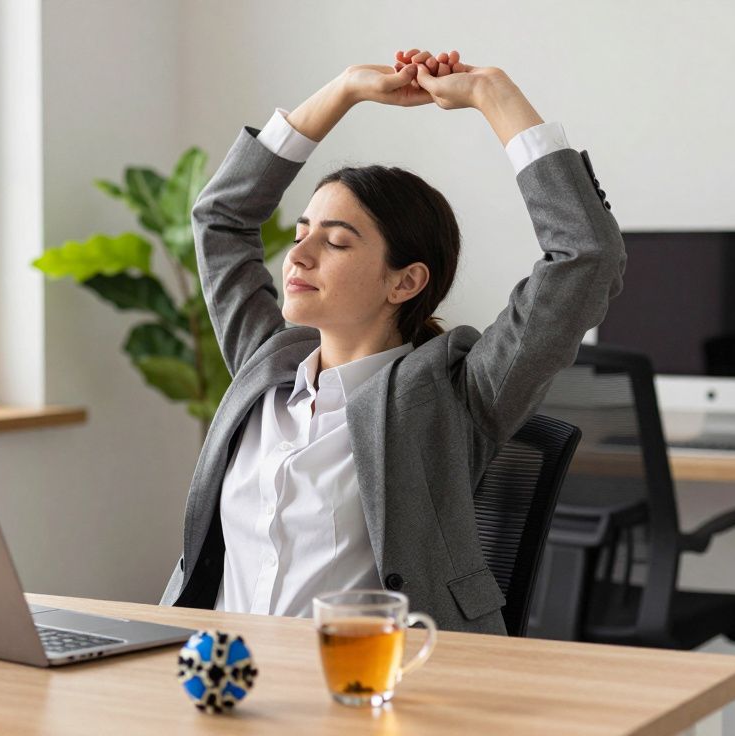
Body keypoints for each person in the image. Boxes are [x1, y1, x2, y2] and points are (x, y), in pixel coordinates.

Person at [159, 49, 626, 634]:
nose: (297, 255)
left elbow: (585, 257)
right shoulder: (266, 364)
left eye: (335, 242)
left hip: (371, 691)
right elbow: (221, 218)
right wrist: (345, 90)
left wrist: (494, 94)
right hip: (223, 678)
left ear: (405, 281)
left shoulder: (455, 397)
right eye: (302, 233)